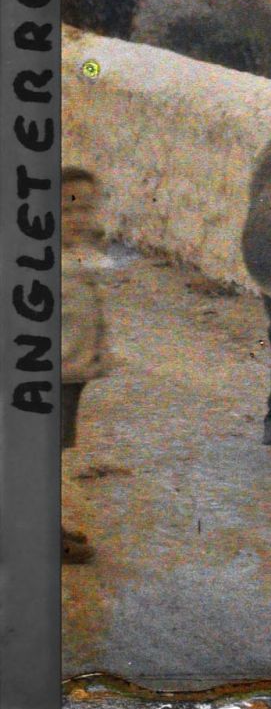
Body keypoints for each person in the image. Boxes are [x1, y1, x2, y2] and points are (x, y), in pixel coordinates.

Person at [60, 166, 114, 565]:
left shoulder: (76, 257)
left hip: (71, 375)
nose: (79, 219)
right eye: (67, 210)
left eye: (86, 209)